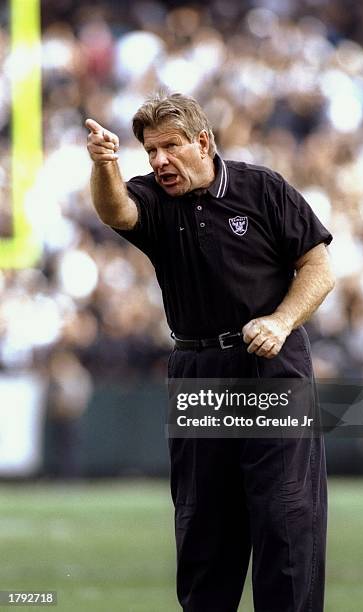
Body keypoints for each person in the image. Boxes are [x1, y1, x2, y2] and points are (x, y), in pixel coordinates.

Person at [85, 92, 335, 612]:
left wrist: (282, 320)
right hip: (198, 372)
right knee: (203, 529)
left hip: (272, 367)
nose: (159, 162)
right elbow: (116, 211)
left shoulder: (261, 188)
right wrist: (106, 165)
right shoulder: (153, 196)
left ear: (203, 142)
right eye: (149, 151)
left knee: (286, 519)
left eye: (169, 147)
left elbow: (318, 268)